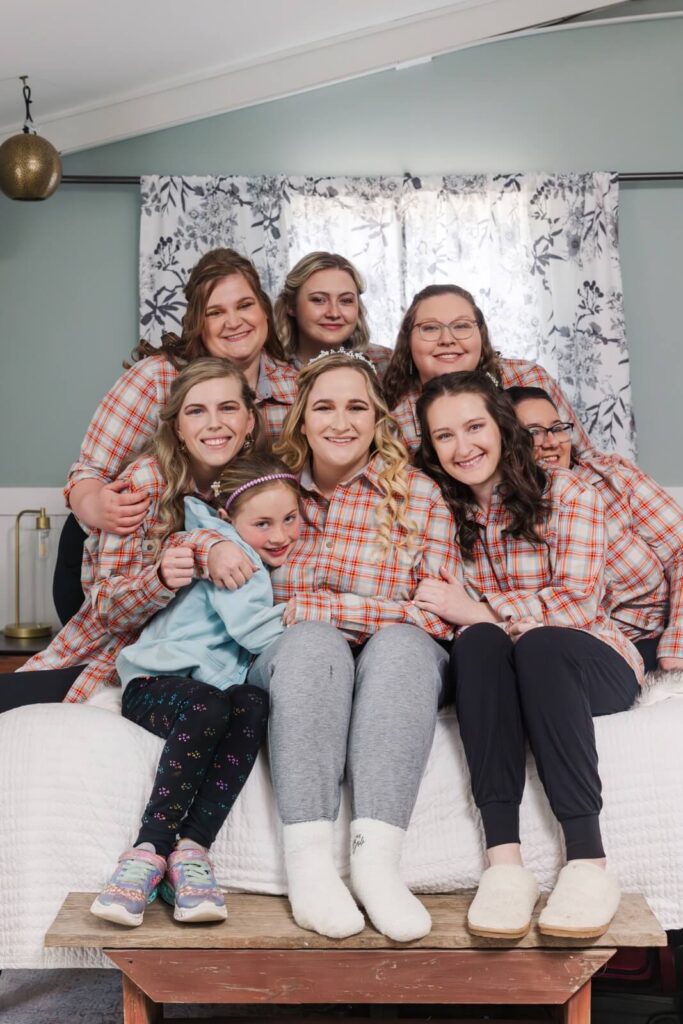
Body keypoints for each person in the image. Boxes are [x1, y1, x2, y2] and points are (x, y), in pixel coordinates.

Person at [414, 371, 642, 941]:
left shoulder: (567, 493)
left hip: (592, 658)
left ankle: (588, 862)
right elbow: (439, 604)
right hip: (507, 666)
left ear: (502, 426)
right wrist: (481, 622)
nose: (462, 447)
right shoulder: (443, 513)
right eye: (444, 436)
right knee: (480, 642)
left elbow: (575, 600)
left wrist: (482, 608)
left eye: (474, 427)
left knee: (533, 641)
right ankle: (504, 864)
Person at [246, 350, 460, 943]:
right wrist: (318, 623)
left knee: (401, 644)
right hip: (296, 660)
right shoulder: (270, 492)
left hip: (398, 655)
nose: (341, 422)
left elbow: (434, 612)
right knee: (314, 643)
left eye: (356, 407)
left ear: (378, 419)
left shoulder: (417, 496)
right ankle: (310, 865)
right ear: (301, 418)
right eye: (325, 407)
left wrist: (319, 606)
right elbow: (245, 605)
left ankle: (376, 864)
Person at [91, 454, 302, 928]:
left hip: (211, 688)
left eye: (291, 518)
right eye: (263, 523)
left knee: (253, 703)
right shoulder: (236, 556)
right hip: (152, 685)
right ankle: (150, 849)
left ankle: (192, 852)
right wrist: (318, 617)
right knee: (211, 704)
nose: (281, 535)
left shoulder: (244, 545)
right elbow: (254, 631)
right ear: (228, 519)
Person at [0, 359, 259, 713]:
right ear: (178, 428)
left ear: (250, 421)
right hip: (107, 653)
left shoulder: (256, 487)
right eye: (196, 411)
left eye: (228, 408)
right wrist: (162, 578)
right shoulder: (144, 482)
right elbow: (106, 608)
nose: (214, 423)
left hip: (189, 662)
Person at [55, 248, 299, 623]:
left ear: (265, 311)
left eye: (245, 305)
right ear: (197, 323)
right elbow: (87, 473)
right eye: (215, 312)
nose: (233, 321)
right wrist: (96, 506)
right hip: (130, 558)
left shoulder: (294, 389)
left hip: (222, 570)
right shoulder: (156, 379)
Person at [508, 385, 683, 673]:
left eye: (557, 428)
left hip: (654, 636)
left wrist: (677, 641)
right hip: (584, 649)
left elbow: (680, 550)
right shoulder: (502, 516)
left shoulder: (612, 479)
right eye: (532, 432)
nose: (551, 442)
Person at [383, 283, 594, 455]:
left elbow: (584, 457)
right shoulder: (396, 421)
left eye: (461, 326)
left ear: (481, 335)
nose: (447, 339)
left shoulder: (529, 378)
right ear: (408, 340)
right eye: (429, 328)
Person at [273, 251, 392, 375]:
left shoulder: (385, 363)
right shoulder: (268, 371)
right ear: (291, 306)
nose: (334, 313)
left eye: (346, 301)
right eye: (318, 300)